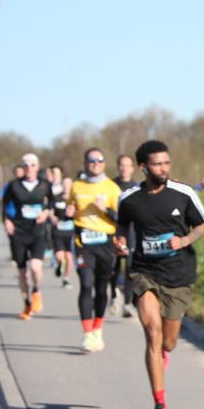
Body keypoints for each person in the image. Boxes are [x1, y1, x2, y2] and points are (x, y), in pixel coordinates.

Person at [116, 140, 204, 409]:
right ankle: (160, 405)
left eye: (166, 162)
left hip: (178, 275)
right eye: (157, 164)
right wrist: (119, 244)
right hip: (144, 271)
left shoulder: (183, 193)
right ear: (143, 167)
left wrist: (183, 240)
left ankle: (163, 352)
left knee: (168, 341)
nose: (164, 168)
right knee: (152, 333)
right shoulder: (129, 199)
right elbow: (122, 229)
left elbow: (201, 228)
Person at [68, 148, 123, 353]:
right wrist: (68, 213)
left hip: (106, 242)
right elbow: (68, 210)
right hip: (83, 242)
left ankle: (98, 328)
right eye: (91, 160)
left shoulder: (111, 188)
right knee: (86, 284)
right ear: (85, 163)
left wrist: (105, 210)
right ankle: (87, 334)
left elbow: (121, 219)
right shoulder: (76, 186)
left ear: (104, 163)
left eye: (99, 160)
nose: (95, 163)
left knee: (101, 288)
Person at [1, 154, 54, 320]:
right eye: (26, 165)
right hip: (19, 232)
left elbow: (51, 201)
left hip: (37, 231)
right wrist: (6, 221)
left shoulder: (45, 185)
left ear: (37, 167)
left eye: (32, 165)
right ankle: (26, 303)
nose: (29, 168)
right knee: (22, 272)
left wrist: (46, 212)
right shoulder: (14, 185)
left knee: (35, 267)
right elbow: (4, 205)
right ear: (22, 168)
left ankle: (36, 290)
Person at [109, 154, 137, 318]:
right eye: (121, 165)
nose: (124, 168)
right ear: (118, 167)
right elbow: (105, 208)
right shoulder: (110, 185)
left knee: (130, 268)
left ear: (132, 168)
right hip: (113, 230)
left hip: (131, 232)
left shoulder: (137, 187)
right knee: (113, 267)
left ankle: (128, 303)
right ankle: (114, 296)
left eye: (127, 165)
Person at [51, 176, 75, 289]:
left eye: (68, 184)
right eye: (64, 184)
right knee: (60, 256)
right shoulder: (56, 198)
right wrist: (52, 218)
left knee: (69, 258)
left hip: (70, 232)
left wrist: (74, 213)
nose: (66, 187)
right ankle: (60, 265)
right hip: (58, 231)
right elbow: (50, 211)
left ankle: (66, 278)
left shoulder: (75, 199)